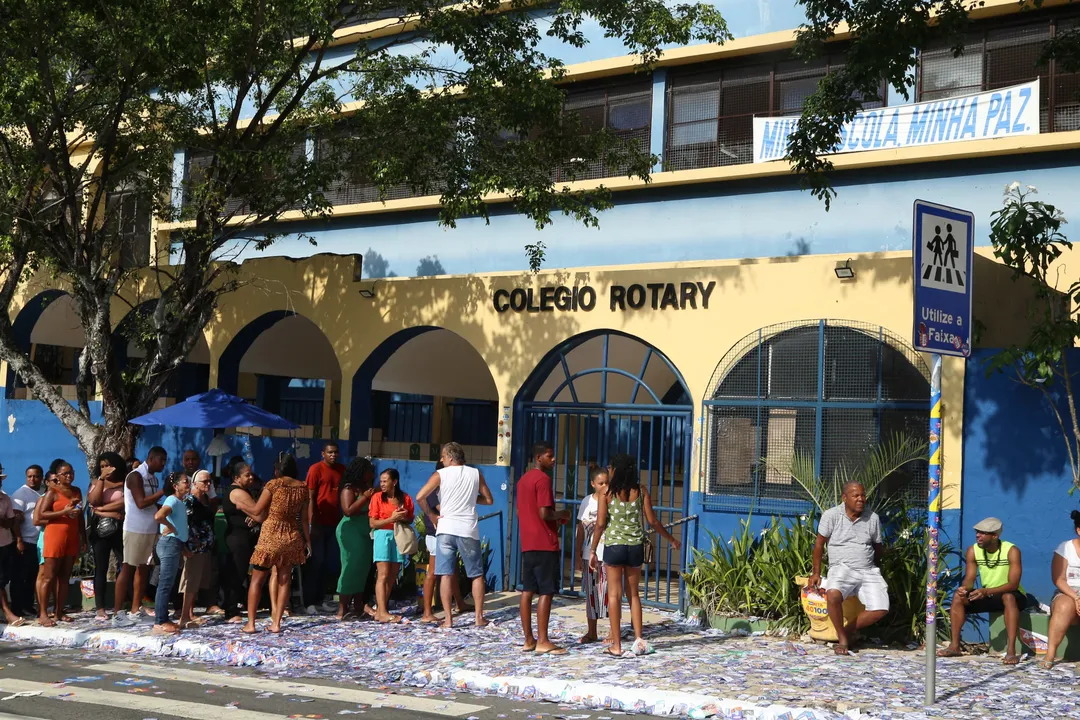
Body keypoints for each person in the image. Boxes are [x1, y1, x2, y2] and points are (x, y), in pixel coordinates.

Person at [590, 454, 679, 657]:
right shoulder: (641, 492)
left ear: (615, 469)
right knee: (634, 595)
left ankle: (617, 645)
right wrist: (672, 540)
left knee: (614, 595)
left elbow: (601, 524)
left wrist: (593, 549)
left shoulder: (606, 492)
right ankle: (639, 640)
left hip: (614, 547)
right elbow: (653, 522)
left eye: (611, 467)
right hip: (635, 547)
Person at [416, 442, 493, 629]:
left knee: (446, 574)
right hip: (467, 529)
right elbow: (489, 500)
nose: (441, 460)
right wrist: (470, 498)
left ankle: (448, 620)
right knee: (476, 574)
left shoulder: (440, 475)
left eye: (443, 456)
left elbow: (420, 497)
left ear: (450, 457)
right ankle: (479, 617)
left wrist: (432, 515)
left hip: (445, 529)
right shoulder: (476, 473)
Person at [808, 482, 889, 655]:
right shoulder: (831, 515)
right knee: (833, 594)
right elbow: (819, 544)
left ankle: (846, 630)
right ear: (844, 498)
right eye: (856, 496)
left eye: (863, 495)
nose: (861, 499)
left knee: (881, 608)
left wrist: (878, 562)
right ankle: (843, 640)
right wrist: (816, 573)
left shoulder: (872, 518)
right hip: (841, 568)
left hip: (867, 570)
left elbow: (877, 547)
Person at [937, 517, 1025, 664]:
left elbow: (1013, 584)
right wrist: (964, 589)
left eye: (983, 533)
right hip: (988, 594)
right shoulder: (973, 550)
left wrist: (986, 591)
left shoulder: (1012, 550)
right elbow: (970, 579)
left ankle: (1011, 651)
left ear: (995, 536)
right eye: (977, 532)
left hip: (1012, 595)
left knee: (1008, 597)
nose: (978, 535)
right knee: (958, 598)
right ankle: (955, 646)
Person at [244, 453, 310, 634]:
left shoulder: (273, 485)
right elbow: (304, 519)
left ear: (277, 470)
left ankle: (250, 624)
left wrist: (242, 506)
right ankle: (277, 623)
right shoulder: (303, 488)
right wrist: (308, 541)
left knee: (257, 580)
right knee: (284, 580)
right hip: (291, 535)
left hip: (270, 535)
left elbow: (257, 510)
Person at [517, 440, 571, 654]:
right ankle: (543, 640)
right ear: (539, 458)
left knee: (527, 590)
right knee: (546, 592)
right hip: (544, 542)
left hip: (528, 542)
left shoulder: (523, 480)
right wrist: (562, 515)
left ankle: (528, 639)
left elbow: (523, 512)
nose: (553, 459)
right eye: (549, 456)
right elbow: (544, 513)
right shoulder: (543, 479)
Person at [113, 447, 167, 627]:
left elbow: (153, 505)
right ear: (151, 458)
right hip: (134, 528)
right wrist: (163, 492)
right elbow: (141, 503)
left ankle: (136, 610)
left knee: (143, 568)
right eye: (161, 460)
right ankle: (117, 614)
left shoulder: (153, 478)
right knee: (128, 567)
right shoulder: (135, 476)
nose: (163, 464)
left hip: (150, 528)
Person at [417, 461, 471, 625]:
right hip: (436, 535)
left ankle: (460, 602)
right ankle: (427, 611)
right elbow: (444, 509)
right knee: (433, 572)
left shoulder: (441, 488)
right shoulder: (435, 490)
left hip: (446, 533)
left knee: (452, 570)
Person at [35, 460, 86, 626]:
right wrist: (64, 511)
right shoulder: (52, 492)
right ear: (58, 476)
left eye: (71, 472)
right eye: (65, 473)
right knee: (48, 577)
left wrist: (83, 538)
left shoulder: (77, 491)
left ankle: (59, 612)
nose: (69, 476)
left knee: (64, 577)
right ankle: (43, 614)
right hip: (54, 536)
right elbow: (41, 514)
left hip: (71, 537)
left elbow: (79, 516)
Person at [368, 468, 414, 624]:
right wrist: (391, 518)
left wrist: (402, 517)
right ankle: (382, 612)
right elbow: (373, 523)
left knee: (393, 574)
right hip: (382, 535)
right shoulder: (377, 498)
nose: (382, 484)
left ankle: (381, 609)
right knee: (383, 573)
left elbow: (410, 519)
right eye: (381, 481)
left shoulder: (405, 498)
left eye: (385, 481)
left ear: (394, 482)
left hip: (398, 536)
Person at [305, 442, 345, 614]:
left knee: (329, 563)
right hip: (318, 524)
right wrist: (311, 523)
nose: (333, 455)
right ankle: (310, 602)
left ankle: (322, 599)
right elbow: (310, 497)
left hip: (335, 523)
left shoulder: (342, 470)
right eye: (330, 452)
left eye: (336, 452)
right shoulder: (315, 469)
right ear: (323, 453)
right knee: (316, 562)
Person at [335, 457, 376, 621]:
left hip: (365, 532)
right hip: (350, 532)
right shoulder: (349, 488)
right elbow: (348, 510)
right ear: (361, 472)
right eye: (369, 471)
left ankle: (358, 605)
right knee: (350, 567)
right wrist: (365, 497)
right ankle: (342, 608)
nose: (371, 474)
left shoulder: (367, 488)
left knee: (363, 567)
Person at [88, 452, 127, 622]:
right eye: (102, 466)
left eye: (108, 465)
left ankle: (126, 603)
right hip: (100, 530)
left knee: (125, 564)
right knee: (101, 568)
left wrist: (103, 510)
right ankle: (100, 608)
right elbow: (94, 502)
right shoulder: (97, 482)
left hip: (120, 529)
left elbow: (125, 502)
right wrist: (101, 480)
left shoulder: (125, 482)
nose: (105, 469)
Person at [152, 473, 190, 635]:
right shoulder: (172, 500)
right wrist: (170, 527)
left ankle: (163, 618)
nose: (188, 484)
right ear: (175, 486)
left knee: (169, 582)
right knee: (165, 583)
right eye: (185, 481)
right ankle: (160, 620)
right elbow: (159, 516)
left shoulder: (180, 502)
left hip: (175, 545)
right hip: (169, 544)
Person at [178, 470, 216, 628]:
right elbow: (183, 523)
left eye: (209, 482)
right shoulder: (190, 501)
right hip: (193, 548)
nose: (208, 484)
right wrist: (184, 547)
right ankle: (185, 615)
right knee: (190, 582)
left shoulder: (203, 500)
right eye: (204, 482)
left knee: (196, 582)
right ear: (194, 483)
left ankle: (190, 613)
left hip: (202, 547)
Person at [576, 466, 610, 644]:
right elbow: (580, 528)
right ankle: (592, 631)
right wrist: (578, 553)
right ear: (592, 484)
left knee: (609, 592)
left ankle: (613, 631)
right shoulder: (587, 502)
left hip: (607, 552)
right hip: (590, 553)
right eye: (600, 483)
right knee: (591, 593)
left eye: (607, 482)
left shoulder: (612, 501)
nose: (604, 486)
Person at [1043, 510, 1080, 668]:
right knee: (1065, 605)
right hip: (1068, 592)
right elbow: (1058, 579)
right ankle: (1050, 655)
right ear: (1079, 530)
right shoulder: (1065, 548)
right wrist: (1076, 597)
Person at [10, 464, 44, 617]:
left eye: (36, 476)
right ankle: (16, 608)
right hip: (25, 541)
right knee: (19, 577)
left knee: (33, 577)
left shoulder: (43, 493)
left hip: (39, 542)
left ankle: (28, 606)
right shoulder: (20, 494)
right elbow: (15, 519)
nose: (32, 479)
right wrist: (19, 540)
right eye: (29, 476)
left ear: (41, 477)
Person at [0, 463, 25, 627]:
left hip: (4, 544)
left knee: (3, 580)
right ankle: (8, 613)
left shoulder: (5, 498)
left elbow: (10, 522)